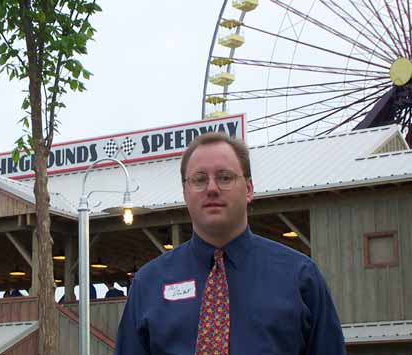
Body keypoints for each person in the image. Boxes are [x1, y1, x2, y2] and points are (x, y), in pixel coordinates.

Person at [114, 133, 346, 355]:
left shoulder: (300, 277)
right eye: (199, 179)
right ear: (185, 193)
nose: (212, 188)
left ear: (248, 189)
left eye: (225, 177)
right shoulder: (148, 284)